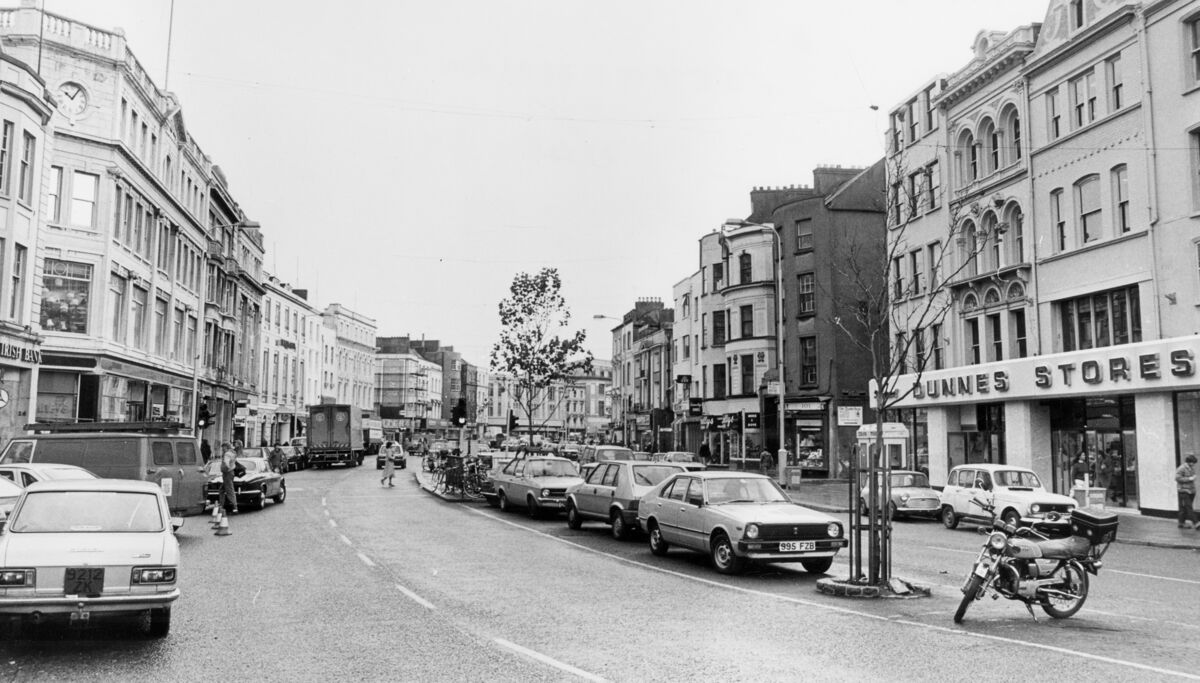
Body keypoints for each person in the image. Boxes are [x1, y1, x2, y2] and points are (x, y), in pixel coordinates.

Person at [1176, 454, 1197, 529]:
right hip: (1184, 490)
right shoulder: (1181, 468)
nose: (1193, 464)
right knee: (1188, 507)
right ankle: (1196, 523)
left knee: (1184, 508)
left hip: (1190, 490)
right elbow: (1177, 478)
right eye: (1193, 462)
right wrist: (1189, 479)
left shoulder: (1191, 468)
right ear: (1189, 462)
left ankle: (1181, 523)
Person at [218, 440, 239, 514]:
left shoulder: (227, 454)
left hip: (227, 473)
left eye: (223, 447)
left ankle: (234, 507)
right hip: (231, 472)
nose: (222, 449)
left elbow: (226, 463)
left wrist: (225, 468)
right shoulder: (233, 453)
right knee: (221, 489)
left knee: (230, 490)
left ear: (226, 447)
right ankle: (221, 505)